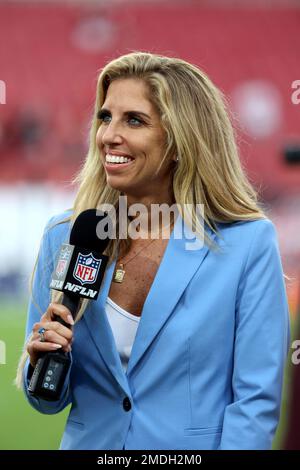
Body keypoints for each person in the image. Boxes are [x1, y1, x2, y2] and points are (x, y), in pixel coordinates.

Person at [16, 52, 290, 450]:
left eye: (134, 120)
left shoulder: (247, 242)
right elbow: (45, 401)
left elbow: (255, 403)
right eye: (105, 117)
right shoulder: (68, 234)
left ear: (181, 140)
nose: (109, 135)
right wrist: (42, 361)